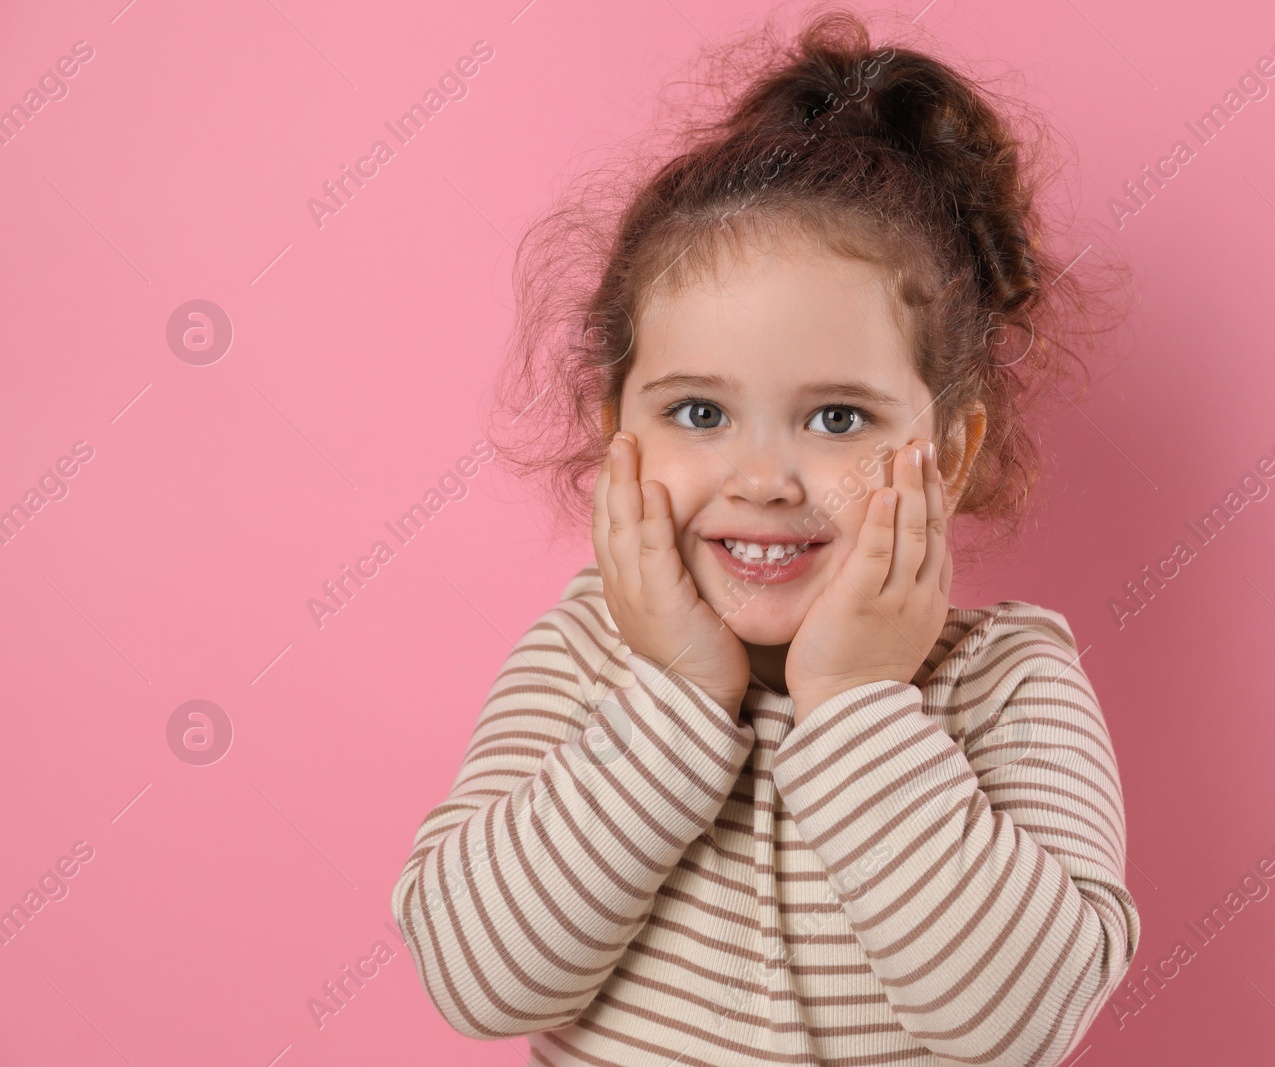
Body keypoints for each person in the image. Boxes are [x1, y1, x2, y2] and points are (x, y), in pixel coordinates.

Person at [391, 7, 1140, 1063]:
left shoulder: (1008, 683)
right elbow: (477, 977)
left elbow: (1018, 1024)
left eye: (837, 418)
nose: (762, 480)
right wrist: (679, 694)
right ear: (620, 435)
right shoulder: (584, 658)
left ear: (951, 452)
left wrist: (858, 698)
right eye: (698, 412)